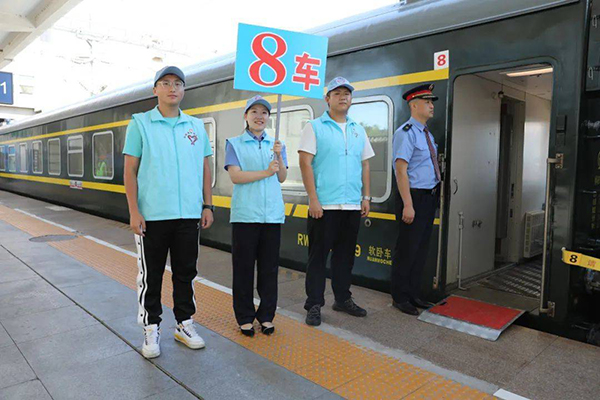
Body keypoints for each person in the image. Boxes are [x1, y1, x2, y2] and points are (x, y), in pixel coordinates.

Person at [123, 66, 214, 358]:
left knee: (186, 272)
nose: (172, 88)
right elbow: (130, 169)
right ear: (155, 90)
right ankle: (151, 327)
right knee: (151, 275)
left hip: (188, 214)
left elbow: (205, 167)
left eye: (177, 83)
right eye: (165, 83)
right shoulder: (140, 124)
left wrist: (207, 205)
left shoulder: (195, 126)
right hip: (152, 216)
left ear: (184, 90)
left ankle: (184, 324)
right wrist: (134, 211)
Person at [298, 76, 375, 326]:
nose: (343, 97)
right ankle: (314, 304)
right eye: (337, 93)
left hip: (351, 205)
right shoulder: (314, 127)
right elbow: (305, 163)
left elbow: (365, 164)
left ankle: (342, 299)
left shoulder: (357, 129)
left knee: (345, 257)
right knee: (318, 258)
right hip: (324, 206)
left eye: (347, 93)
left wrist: (365, 197)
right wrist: (313, 199)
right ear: (327, 98)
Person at [225, 95, 288, 337]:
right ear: (246, 116)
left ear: (269, 118)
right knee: (243, 269)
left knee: (269, 270)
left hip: (272, 216)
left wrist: (279, 157)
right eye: (254, 112)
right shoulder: (235, 143)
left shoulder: (277, 144)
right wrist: (265, 172)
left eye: (264, 112)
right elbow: (236, 176)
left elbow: (282, 177)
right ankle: (244, 317)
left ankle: (266, 316)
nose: (259, 116)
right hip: (245, 215)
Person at [391, 83, 440, 316]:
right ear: (414, 105)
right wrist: (408, 205)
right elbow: (401, 171)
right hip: (413, 197)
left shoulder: (427, 133)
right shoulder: (406, 133)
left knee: (421, 249)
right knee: (407, 249)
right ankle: (400, 297)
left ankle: (414, 294)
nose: (431, 106)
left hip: (428, 197)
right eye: (427, 102)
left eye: (431, 102)